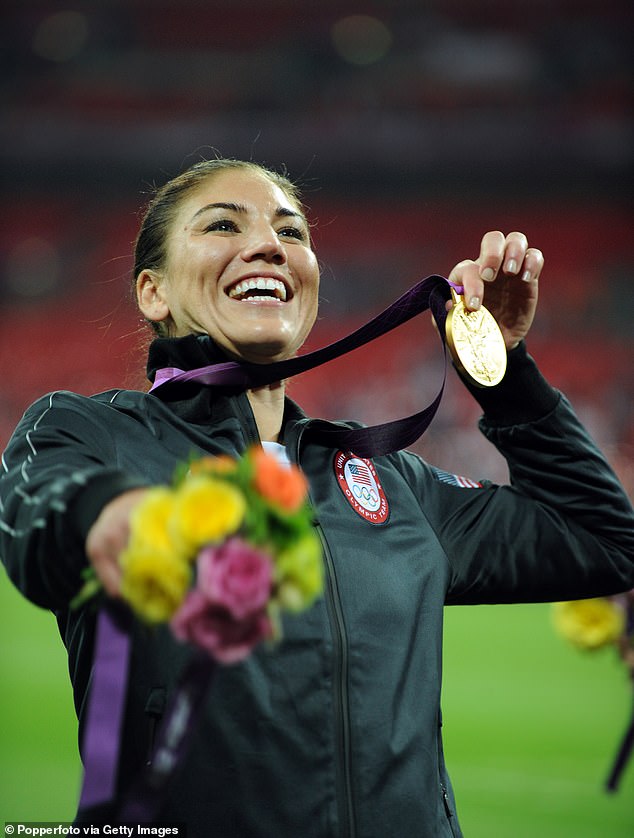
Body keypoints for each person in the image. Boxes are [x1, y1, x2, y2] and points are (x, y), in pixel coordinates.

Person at [1, 157, 633, 838]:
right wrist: (117, 519)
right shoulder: (87, 430)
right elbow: (39, 519)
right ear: (153, 293)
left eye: (292, 232)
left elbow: (604, 540)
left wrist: (502, 366)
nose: (271, 244)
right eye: (222, 223)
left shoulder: (389, 477)